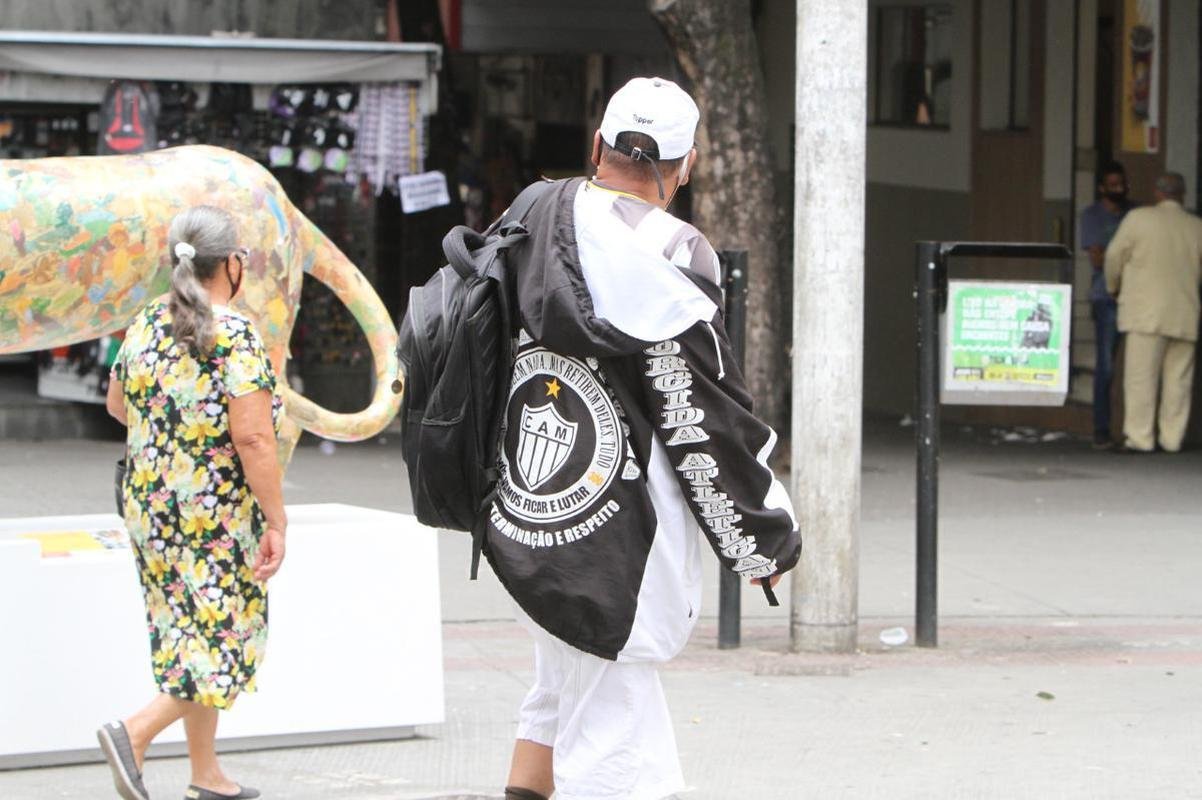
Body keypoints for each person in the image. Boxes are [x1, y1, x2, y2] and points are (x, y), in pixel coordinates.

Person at [488, 77, 802, 800]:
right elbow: (704, 418)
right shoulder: (677, 253)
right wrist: (763, 539)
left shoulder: (528, 212)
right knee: (615, 742)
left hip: (526, 511)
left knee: (557, 691)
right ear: (686, 163)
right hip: (618, 542)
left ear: (597, 144)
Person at [99, 206, 286, 800]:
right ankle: (134, 732)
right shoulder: (234, 334)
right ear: (232, 263)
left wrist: (172, 437)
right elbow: (254, 438)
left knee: (185, 631)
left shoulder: (147, 320)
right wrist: (277, 519)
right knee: (224, 638)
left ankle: (207, 775)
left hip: (151, 508)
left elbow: (116, 405)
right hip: (215, 517)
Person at [1105, 172, 1202, 453]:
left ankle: (1140, 438)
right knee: (1178, 381)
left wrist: (1114, 286)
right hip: (1185, 312)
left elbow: (1114, 256)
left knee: (1141, 379)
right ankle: (1172, 439)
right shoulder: (1196, 226)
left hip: (1144, 313)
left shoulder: (1139, 219)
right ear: (1182, 195)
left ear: (1157, 193)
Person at [1080, 162, 1134, 449]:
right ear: (1101, 187)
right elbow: (1097, 260)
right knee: (1107, 366)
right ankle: (1102, 428)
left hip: (1135, 296)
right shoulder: (1092, 216)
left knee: (1135, 368)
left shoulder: (1135, 213)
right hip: (1106, 298)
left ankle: (1133, 430)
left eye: (1121, 183)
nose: (1118, 189)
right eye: (1112, 184)